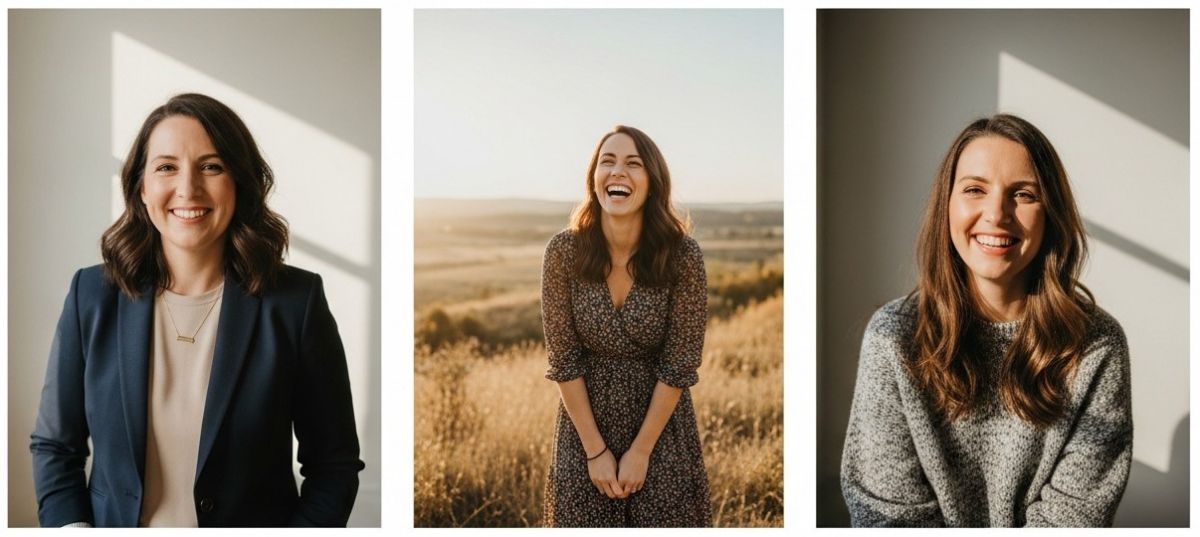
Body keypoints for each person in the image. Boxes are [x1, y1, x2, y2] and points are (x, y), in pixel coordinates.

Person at [30, 93, 363, 527]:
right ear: (141, 186)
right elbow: (56, 446)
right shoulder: (90, 294)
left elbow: (333, 466)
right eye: (166, 167)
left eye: (212, 166)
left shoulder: (296, 302)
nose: (188, 188)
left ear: (239, 182)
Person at [840, 114, 1132, 527]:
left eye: (1024, 194)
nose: (996, 214)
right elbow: (887, 517)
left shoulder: (1097, 346)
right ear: (947, 205)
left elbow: (1075, 518)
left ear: (1051, 213)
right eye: (975, 189)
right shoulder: (894, 338)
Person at [540, 125, 712, 527]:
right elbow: (563, 359)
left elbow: (680, 362)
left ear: (652, 183)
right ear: (594, 180)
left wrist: (641, 451)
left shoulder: (683, 256)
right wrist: (595, 452)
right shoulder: (562, 252)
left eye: (633, 163)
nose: (618, 171)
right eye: (607, 162)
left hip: (660, 427)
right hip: (583, 426)